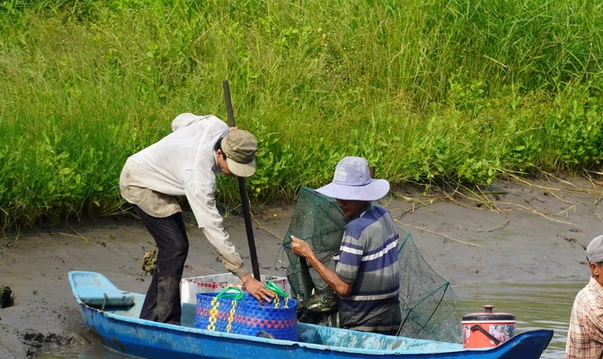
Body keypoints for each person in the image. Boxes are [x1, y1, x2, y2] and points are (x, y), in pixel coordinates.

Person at [119, 113, 275, 325]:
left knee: (174, 249)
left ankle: (152, 315)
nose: (235, 174)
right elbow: (211, 227)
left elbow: (178, 121)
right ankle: (165, 321)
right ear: (219, 153)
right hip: (139, 182)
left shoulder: (216, 125)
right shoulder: (198, 176)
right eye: (233, 167)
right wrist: (244, 276)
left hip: (162, 177)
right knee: (174, 248)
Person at [289, 156, 402, 335]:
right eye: (339, 196)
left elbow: (343, 288)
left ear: (363, 196)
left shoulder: (356, 229)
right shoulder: (383, 214)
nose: (341, 202)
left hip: (365, 321)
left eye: (348, 197)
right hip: (392, 315)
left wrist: (309, 255)